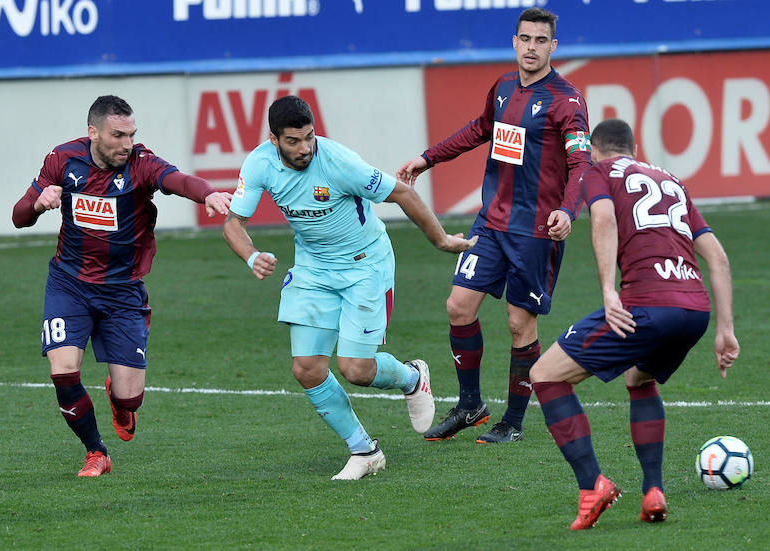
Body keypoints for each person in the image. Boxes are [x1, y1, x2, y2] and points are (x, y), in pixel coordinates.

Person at [223, 95, 476, 480]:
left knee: (355, 369)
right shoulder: (259, 163)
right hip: (312, 268)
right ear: (273, 139)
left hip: (364, 266)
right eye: (293, 141)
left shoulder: (339, 162)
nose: (305, 148)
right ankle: (364, 451)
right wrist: (250, 256)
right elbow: (233, 223)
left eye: (309, 137)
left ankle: (412, 377)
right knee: (307, 368)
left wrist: (441, 241)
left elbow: (403, 193)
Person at [529, 118, 740, 530]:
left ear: (593, 150)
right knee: (639, 379)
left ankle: (593, 486)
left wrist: (609, 291)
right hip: (694, 311)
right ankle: (653, 491)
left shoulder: (597, 171)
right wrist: (725, 329)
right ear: (634, 147)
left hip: (648, 304)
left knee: (546, 375)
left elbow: (604, 219)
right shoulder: (671, 180)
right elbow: (717, 257)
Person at [396, 7, 591, 444]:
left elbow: (581, 161)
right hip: (492, 221)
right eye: (525, 39)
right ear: (515, 40)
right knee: (458, 306)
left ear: (553, 47)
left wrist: (567, 211)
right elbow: (479, 129)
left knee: (520, 325)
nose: (531, 48)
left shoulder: (567, 100)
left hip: (536, 230)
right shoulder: (503, 86)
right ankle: (470, 406)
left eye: (541, 41)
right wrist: (428, 158)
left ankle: (515, 421)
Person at [12, 95, 232, 477]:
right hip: (70, 283)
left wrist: (208, 192)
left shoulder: (141, 164)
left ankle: (118, 396)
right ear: (93, 133)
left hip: (122, 290)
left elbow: (176, 180)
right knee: (63, 372)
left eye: (132, 134)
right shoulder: (63, 160)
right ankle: (96, 451)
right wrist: (37, 203)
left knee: (131, 399)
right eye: (118, 135)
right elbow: (18, 217)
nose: (127, 143)